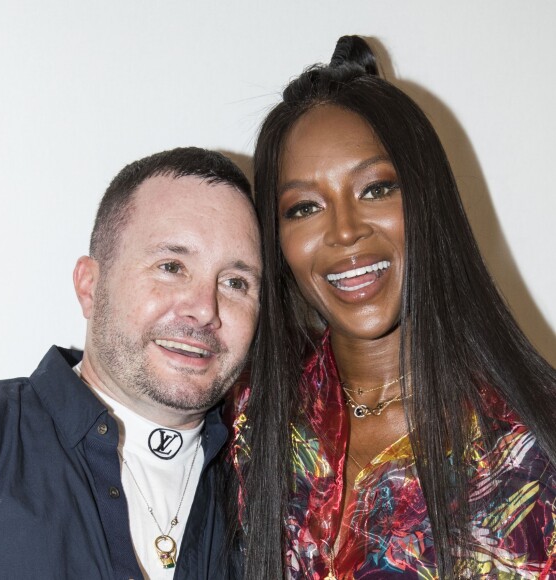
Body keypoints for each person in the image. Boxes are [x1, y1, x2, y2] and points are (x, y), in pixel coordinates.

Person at [229, 37, 556, 579]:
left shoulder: (531, 443)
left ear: (429, 201)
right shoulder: (250, 418)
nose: (345, 231)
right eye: (304, 207)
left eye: (376, 189)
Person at [0, 147, 262, 580]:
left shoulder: (281, 495)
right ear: (90, 286)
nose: (205, 309)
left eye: (235, 282)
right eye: (171, 266)